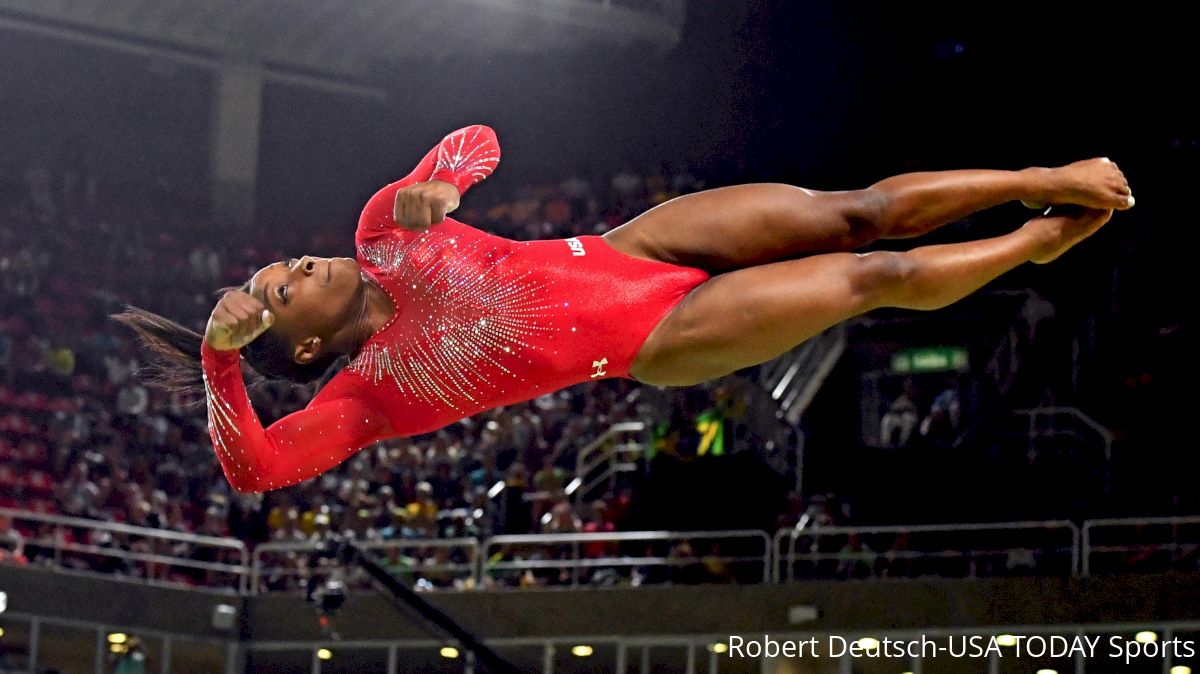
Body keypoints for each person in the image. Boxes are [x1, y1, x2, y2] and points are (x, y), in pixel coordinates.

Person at [115, 124, 1134, 493]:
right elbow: (259, 468)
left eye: (287, 259)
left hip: (636, 245)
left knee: (851, 213)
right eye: (285, 284)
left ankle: (1039, 175)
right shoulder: (367, 400)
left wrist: (449, 184)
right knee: (876, 281)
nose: (297, 262)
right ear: (301, 337)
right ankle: (1040, 238)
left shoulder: (386, 227)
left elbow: (475, 139)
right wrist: (217, 359)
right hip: (658, 339)